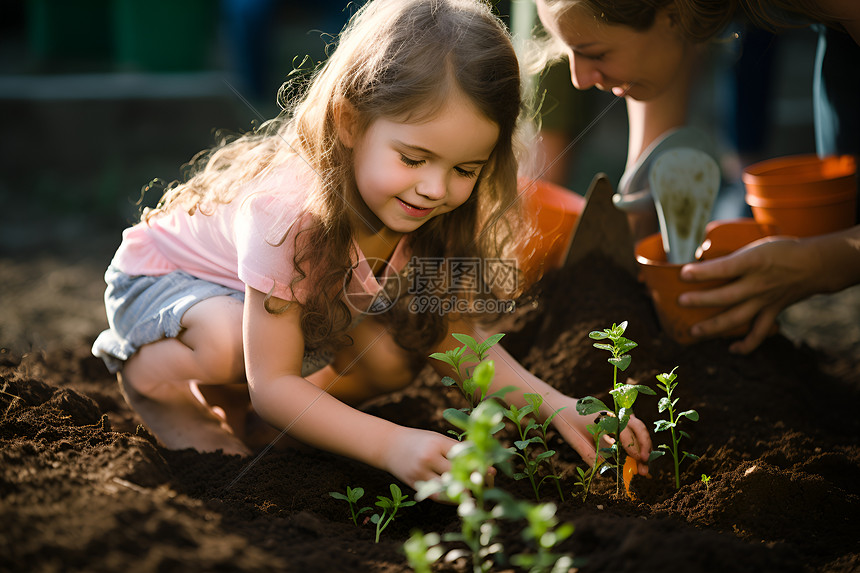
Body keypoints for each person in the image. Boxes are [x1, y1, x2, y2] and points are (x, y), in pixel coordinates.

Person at [91, 0, 653, 492]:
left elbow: (454, 338)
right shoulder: (288, 218)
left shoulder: (431, 212)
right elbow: (276, 383)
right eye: (412, 158)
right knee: (226, 344)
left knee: (393, 354)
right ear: (349, 121)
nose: (436, 188)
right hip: (168, 283)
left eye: (465, 168)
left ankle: (250, 415)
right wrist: (391, 445)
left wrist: (558, 407)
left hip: (270, 299)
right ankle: (152, 382)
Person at [535, 0, 860, 353]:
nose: (578, 80)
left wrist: (821, 263)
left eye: (594, 53)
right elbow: (653, 151)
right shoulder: (666, 18)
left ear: (674, 14)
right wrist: (628, 249)